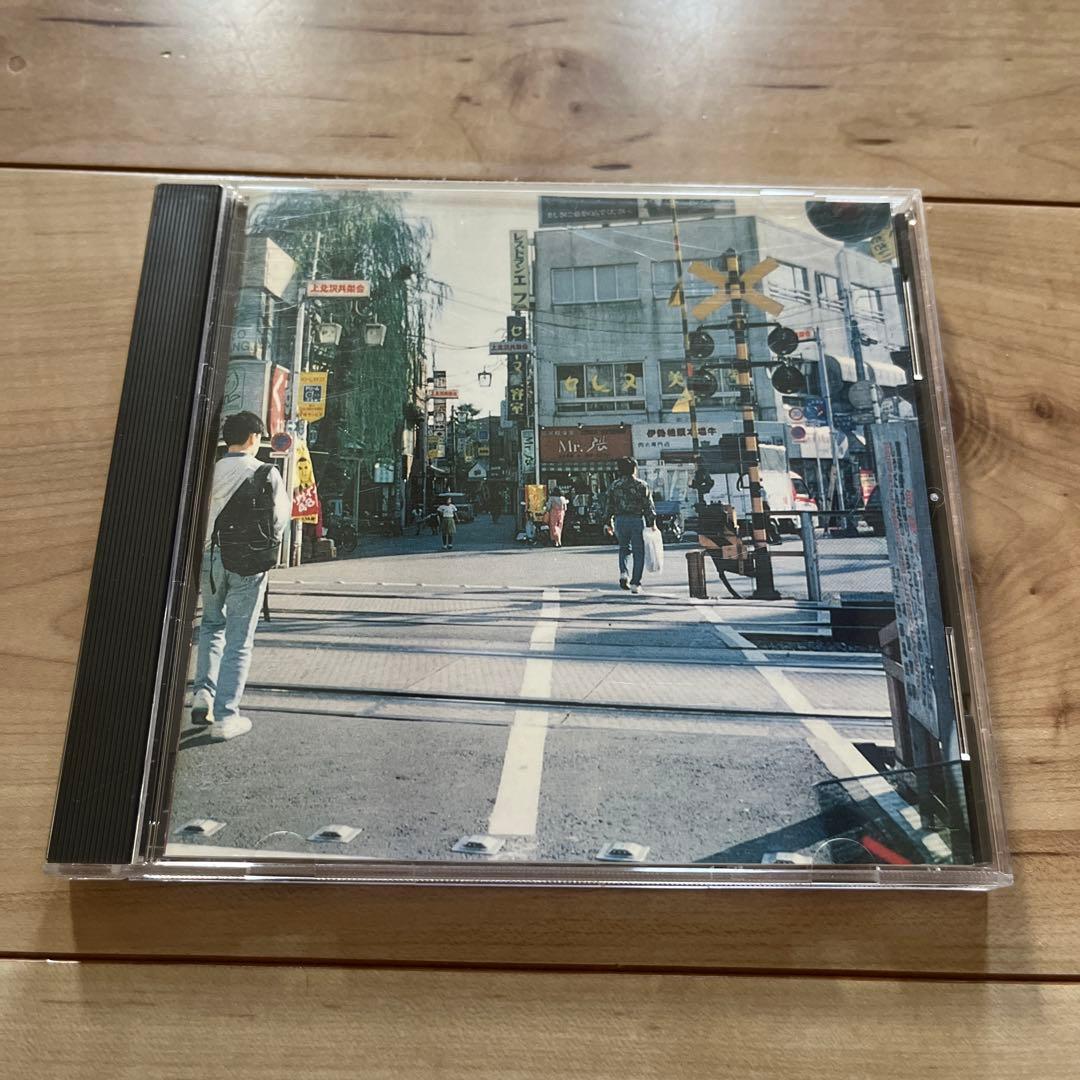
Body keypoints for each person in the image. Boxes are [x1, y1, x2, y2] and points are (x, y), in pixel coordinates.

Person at [191, 411, 291, 741]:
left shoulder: (207, 471)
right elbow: (279, 521)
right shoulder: (266, 473)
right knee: (239, 639)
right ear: (253, 438)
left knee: (210, 625)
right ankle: (225, 716)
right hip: (248, 563)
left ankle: (202, 695)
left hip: (210, 558)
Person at [604, 457, 656, 595]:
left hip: (620, 520)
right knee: (639, 552)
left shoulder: (614, 485)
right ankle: (635, 583)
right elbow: (649, 506)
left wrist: (607, 522)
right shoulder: (641, 485)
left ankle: (624, 573)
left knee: (624, 548)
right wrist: (652, 523)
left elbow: (609, 505)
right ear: (634, 468)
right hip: (636, 520)